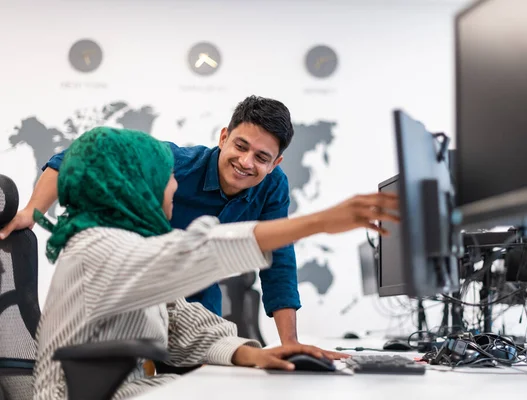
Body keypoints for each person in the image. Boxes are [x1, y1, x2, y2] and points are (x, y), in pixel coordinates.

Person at [32, 127, 399, 400]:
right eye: (165, 179)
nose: (175, 187)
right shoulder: (97, 247)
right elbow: (194, 253)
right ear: (136, 187)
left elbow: (181, 321)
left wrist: (255, 353)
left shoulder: (132, 247)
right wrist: (318, 222)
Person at [1, 96, 337, 356]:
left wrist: (287, 344)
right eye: (241, 146)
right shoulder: (171, 165)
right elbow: (80, 156)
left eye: (262, 158)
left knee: (213, 360)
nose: (247, 162)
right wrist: (33, 210)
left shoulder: (272, 184)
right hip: (139, 287)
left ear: (275, 163)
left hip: (194, 298)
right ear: (223, 137)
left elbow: (278, 261)